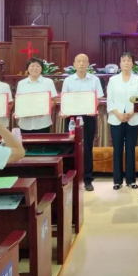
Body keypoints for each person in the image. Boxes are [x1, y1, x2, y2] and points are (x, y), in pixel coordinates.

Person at [61, 54, 104, 192]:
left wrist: (93, 107)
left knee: (87, 147)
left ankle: (87, 179)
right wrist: (66, 110)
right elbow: (64, 98)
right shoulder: (68, 81)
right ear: (74, 64)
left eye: (83, 61)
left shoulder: (95, 79)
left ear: (88, 64)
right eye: (78, 61)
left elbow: (98, 98)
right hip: (72, 118)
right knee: (71, 147)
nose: (81, 64)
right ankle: (71, 179)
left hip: (89, 117)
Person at [106, 52, 138, 190]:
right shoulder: (113, 80)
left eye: (129, 60)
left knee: (130, 150)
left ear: (132, 63)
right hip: (116, 119)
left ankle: (131, 180)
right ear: (120, 63)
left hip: (132, 118)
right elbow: (109, 99)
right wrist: (118, 114)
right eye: (124, 60)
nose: (126, 63)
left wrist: (130, 113)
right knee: (117, 150)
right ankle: (117, 181)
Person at [15, 57, 57, 134]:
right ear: (27, 68)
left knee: (42, 145)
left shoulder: (48, 82)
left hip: (42, 122)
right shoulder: (21, 83)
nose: (35, 68)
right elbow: (19, 102)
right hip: (25, 122)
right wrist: (18, 111)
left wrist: (43, 109)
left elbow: (53, 101)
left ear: (41, 69)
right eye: (32, 66)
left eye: (38, 66)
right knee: (25, 146)